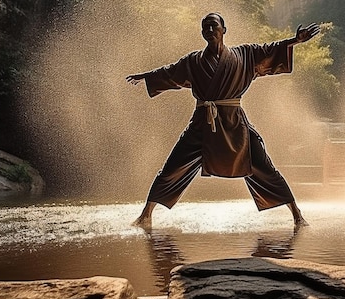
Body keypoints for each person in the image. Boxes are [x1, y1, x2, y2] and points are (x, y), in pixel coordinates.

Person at [126, 12, 320, 228]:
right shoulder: (193, 61)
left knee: (265, 167)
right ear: (201, 32)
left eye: (214, 26)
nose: (210, 30)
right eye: (206, 27)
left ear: (224, 30)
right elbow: (170, 71)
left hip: (235, 123)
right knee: (172, 166)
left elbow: (271, 49)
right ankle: (146, 215)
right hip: (202, 124)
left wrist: (295, 40)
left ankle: (297, 214)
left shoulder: (245, 55)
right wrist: (147, 76)